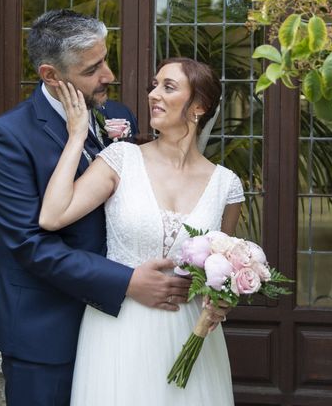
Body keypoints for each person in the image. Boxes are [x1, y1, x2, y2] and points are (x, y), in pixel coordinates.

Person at [0, 9, 193, 406]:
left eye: (106, 59)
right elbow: (30, 244)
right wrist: (127, 281)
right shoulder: (8, 137)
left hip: (122, 328)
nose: (109, 75)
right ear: (50, 75)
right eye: (93, 68)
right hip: (45, 332)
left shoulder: (119, 116)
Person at [39, 57, 245, 405]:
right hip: (119, 329)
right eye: (153, 85)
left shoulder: (227, 185)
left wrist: (223, 300)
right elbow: (52, 216)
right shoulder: (121, 159)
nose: (153, 95)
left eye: (168, 87)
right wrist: (77, 136)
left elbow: (221, 267)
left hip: (189, 331)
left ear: (199, 106)